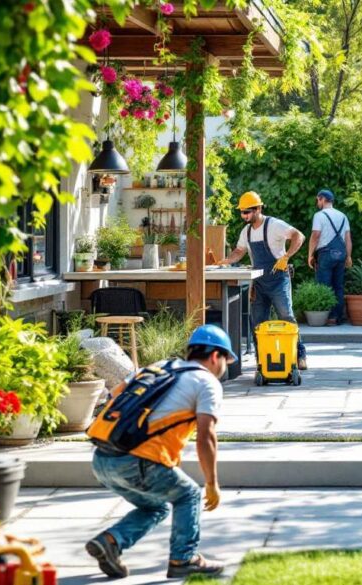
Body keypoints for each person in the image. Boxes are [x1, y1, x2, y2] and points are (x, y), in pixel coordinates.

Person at [85, 324, 235, 580]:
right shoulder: (206, 382)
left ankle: (111, 541)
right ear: (215, 356)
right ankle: (184, 559)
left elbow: (116, 393)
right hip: (135, 460)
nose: (225, 367)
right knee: (188, 494)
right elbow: (206, 435)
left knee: (156, 508)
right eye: (226, 360)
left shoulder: (159, 367)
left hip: (102, 459)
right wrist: (211, 482)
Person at [218, 191, 308, 370]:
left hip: (278, 280)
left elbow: (299, 236)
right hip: (259, 283)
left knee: (286, 316)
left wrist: (287, 256)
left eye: (247, 212)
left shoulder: (274, 225)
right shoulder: (247, 232)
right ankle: (263, 359)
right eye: (242, 212)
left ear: (258, 209)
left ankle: (299, 355)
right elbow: (239, 251)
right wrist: (226, 261)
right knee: (257, 322)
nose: (244, 216)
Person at [307, 189, 352, 325]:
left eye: (318, 200)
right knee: (338, 286)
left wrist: (310, 255)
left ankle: (327, 317)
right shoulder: (343, 216)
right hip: (341, 253)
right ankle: (336, 316)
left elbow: (315, 235)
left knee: (324, 285)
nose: (317, 202)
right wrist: (349, 256)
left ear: (322, 199)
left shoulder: (319, 215)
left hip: (325, 254)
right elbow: (348, 238)